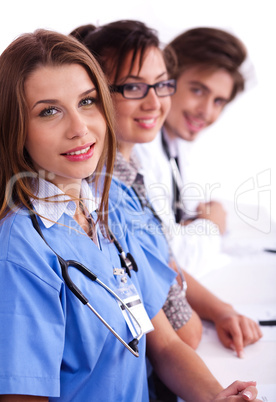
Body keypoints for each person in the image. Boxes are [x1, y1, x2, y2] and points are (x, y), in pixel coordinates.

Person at [0, 28, 262, 402]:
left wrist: (216, 397)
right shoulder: (21, 251)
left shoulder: (109, 205)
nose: (79, 128)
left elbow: (167, 346)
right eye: (50, 111)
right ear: (15, 128)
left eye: (87, 102)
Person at [135, 27, 248, 278]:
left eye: (219, 101)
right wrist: (211, 225)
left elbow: (184, 221)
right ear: (166, 81)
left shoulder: (177, 145)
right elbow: (171, 260)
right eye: (198, 91)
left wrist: (196, 225)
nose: (206, 112)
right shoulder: (139, 149)